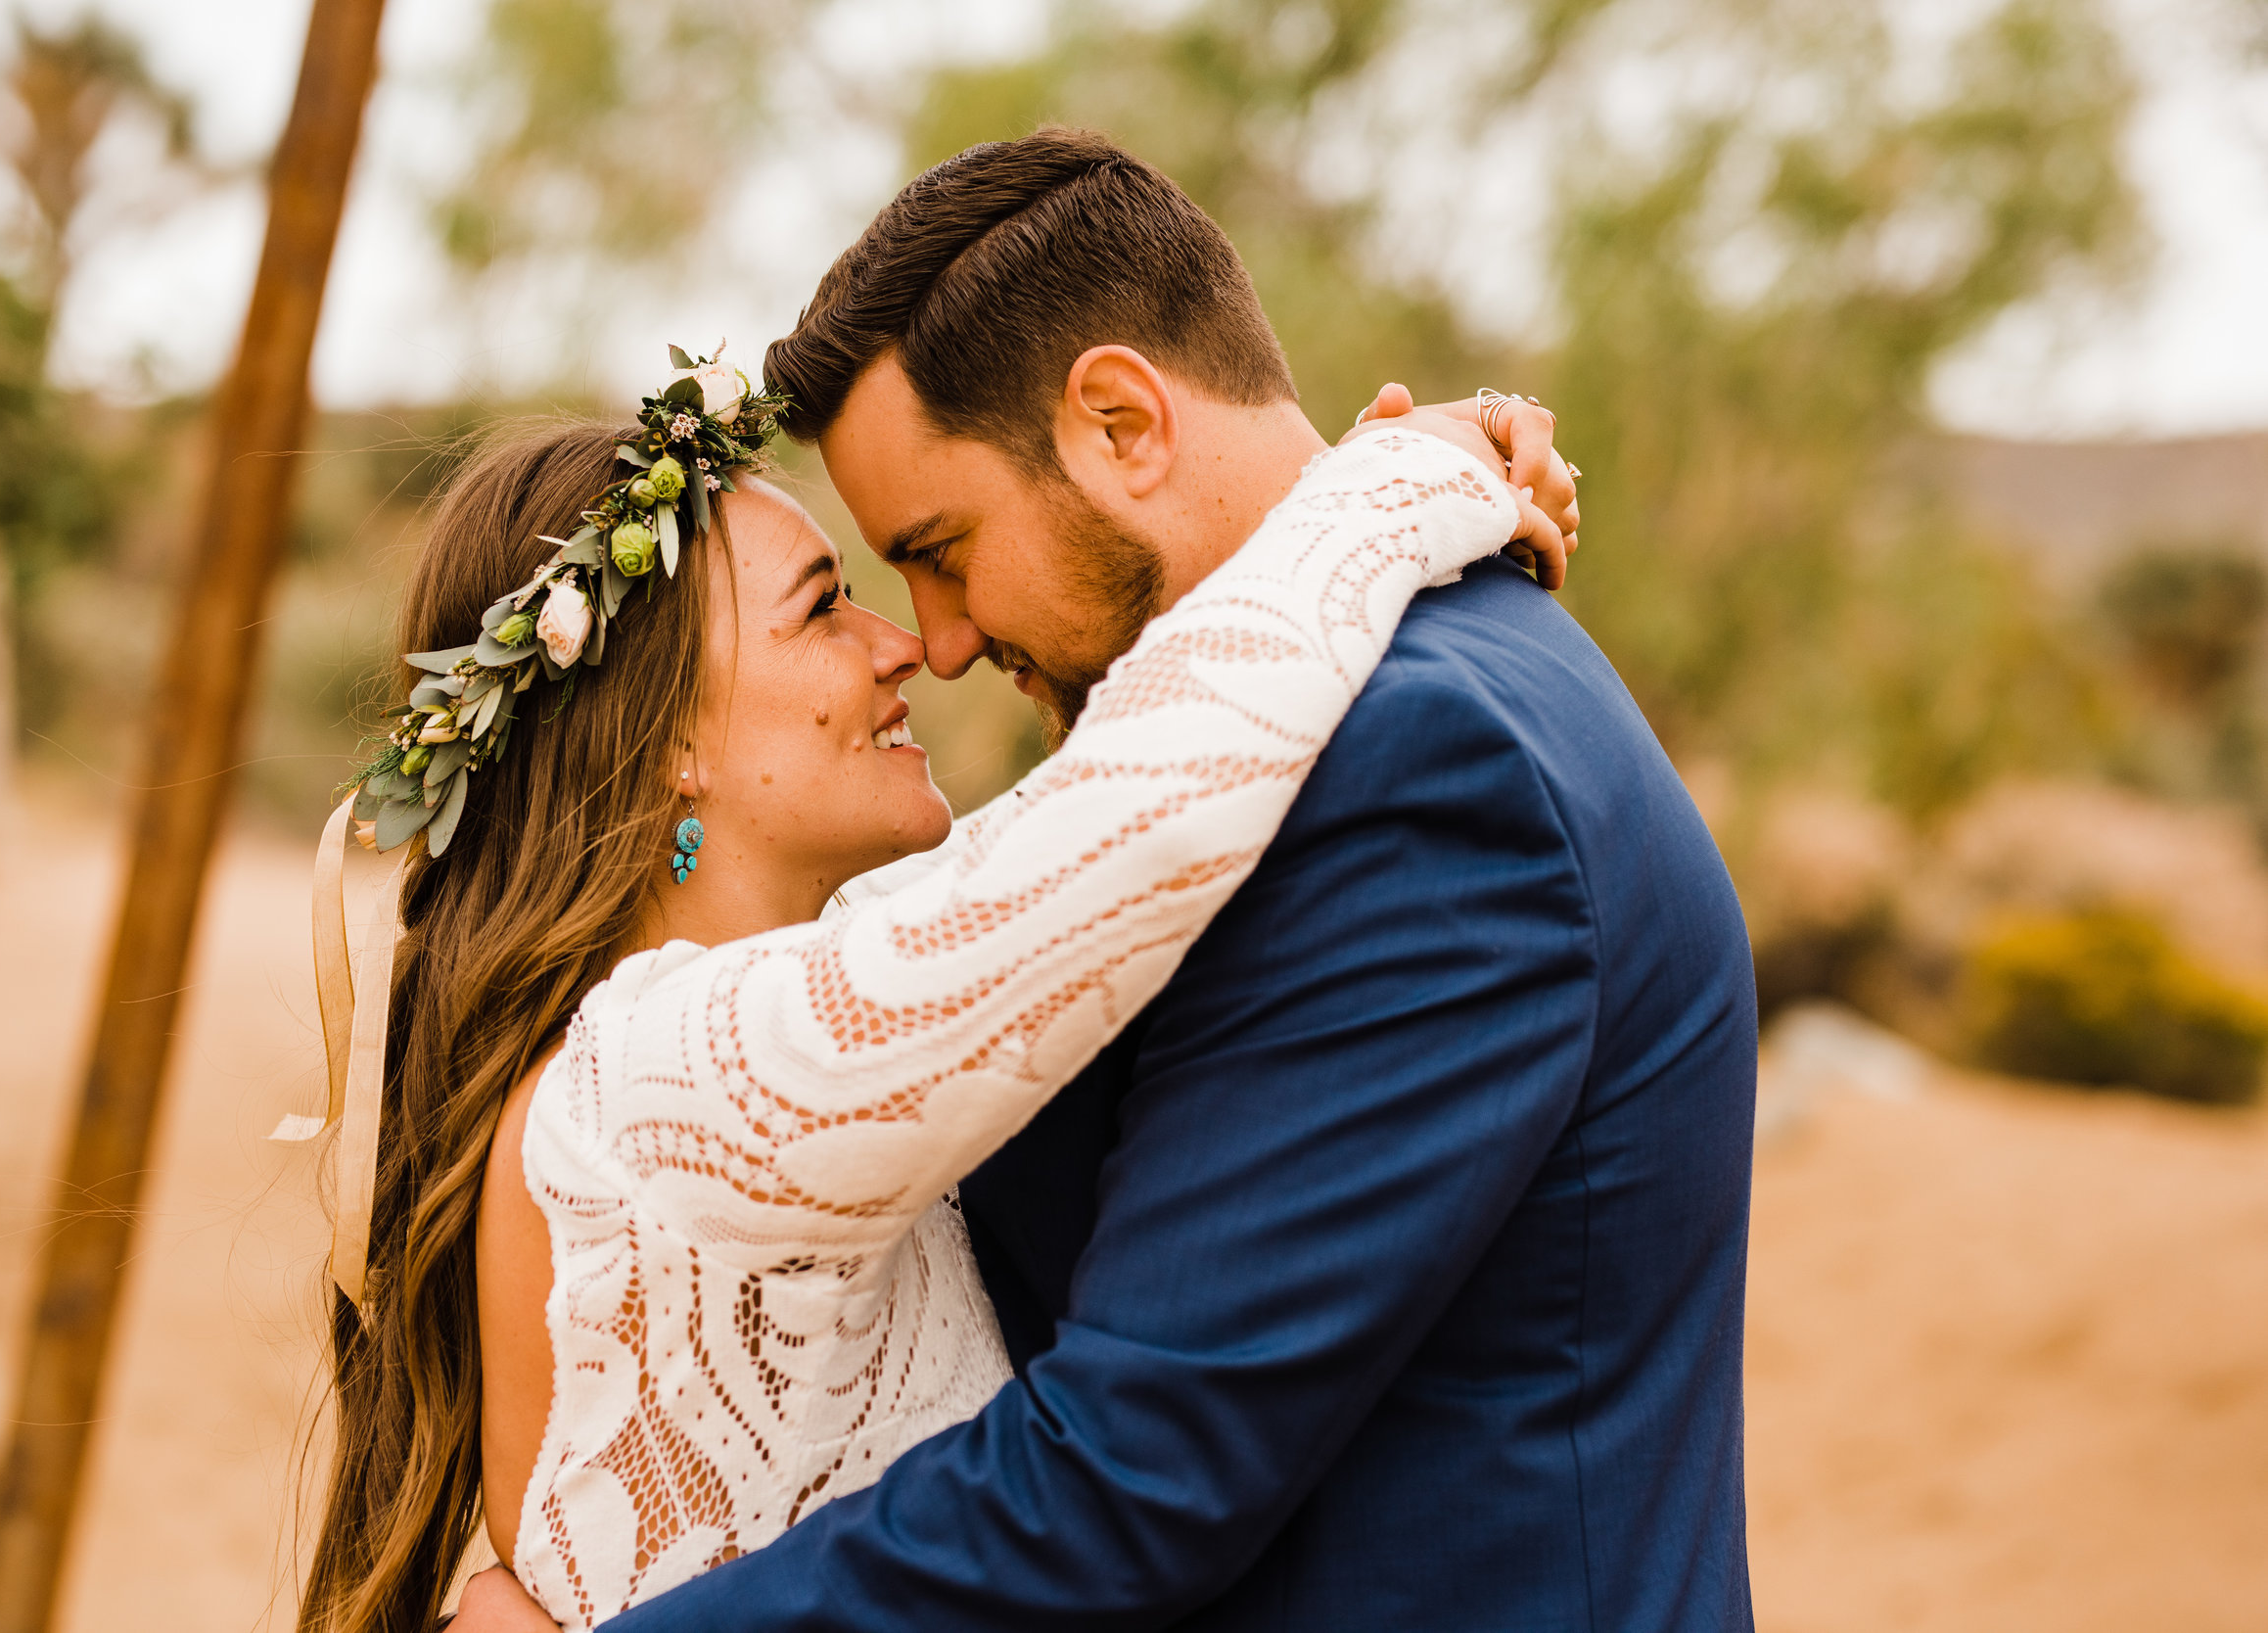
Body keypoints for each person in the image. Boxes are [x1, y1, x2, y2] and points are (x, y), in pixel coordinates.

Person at [451, 127, 1757, 1633]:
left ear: (1124, 424)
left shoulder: (1414, 765)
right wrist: (1395, 480)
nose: (931, 640)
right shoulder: (1292, 744)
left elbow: (1137, 1472)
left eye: (939, 550)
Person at [296, 331, 1550, 1623]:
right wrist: (1390, 490)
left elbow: (1099, 815)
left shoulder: (754, 1000)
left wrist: (1347, 481)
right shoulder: (657, 1088)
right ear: (670, 735)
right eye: (822, 604)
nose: (904, 646)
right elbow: (1143, 812)